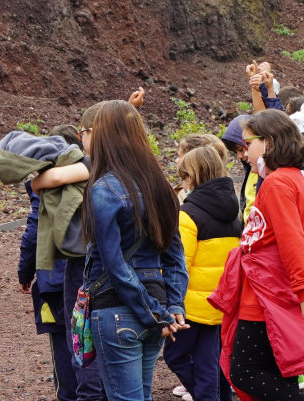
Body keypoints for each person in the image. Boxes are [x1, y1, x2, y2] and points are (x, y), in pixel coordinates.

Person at [208, 110, 304, 401]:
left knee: (243, 373)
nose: (244, 154)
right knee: (276, 373)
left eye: (247, 144)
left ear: (268, 142)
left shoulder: (278, 183)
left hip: (265, 295)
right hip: (271, 290)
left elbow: (293, 241)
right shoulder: (292, 178)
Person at [78, 101, 188, 401]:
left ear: (104, 136)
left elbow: (114, 265)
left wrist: (151, 311)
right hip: (157, 307)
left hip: (120, 311)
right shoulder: (161, 186)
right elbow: (174, 255)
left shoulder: (103, 188)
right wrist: (172, 307)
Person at [8, 123, 96, 401]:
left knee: (64, 343)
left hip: (57, 281)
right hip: (90, 274)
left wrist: (25, 273)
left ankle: (71, 396)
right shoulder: (93, 175)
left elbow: (34, 232)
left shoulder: (48, 186)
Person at [165, 147, 242, 401]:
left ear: (194, 177)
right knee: (210, 361)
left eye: (184, 176)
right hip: (221, 301)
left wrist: (169, 301)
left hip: (191, 304)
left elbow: (180, 264)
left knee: (176, 356)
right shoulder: (234, 211)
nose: (183, 183)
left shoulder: (187, 215)